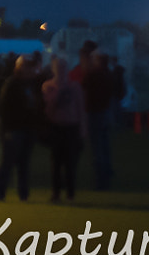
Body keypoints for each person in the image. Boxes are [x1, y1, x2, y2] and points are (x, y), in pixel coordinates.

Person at [0, 53, 42, 202]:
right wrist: (7, 130)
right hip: (13, 129)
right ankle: (0, 193)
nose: (31, 70)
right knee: (7, 161)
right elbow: (4, 109)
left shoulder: (32, 84)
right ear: (20, 68)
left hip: (27, 128)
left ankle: (23, 194)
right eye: (28, 67)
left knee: (23, 162)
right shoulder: (12, 84)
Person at [41, 56, 84, 203]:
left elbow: (81, 109)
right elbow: (48, 109)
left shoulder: (75, 87)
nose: (61, 71)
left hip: (71, 127)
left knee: (70, 163)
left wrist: (82, 129)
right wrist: (58, 93)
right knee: (56, 162)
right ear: (53, 70)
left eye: (63, 68)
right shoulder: (48, 86)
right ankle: (56, 193)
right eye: (58, 68)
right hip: (56, 127)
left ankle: (70, 194)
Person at [79, 42, 118, 190]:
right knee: (105, 146)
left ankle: (100, 181)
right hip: (106, 112)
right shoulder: (108, 73)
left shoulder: (93, 75)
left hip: (94, 113)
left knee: (97, 149)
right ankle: (107, 174)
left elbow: (84, 89)